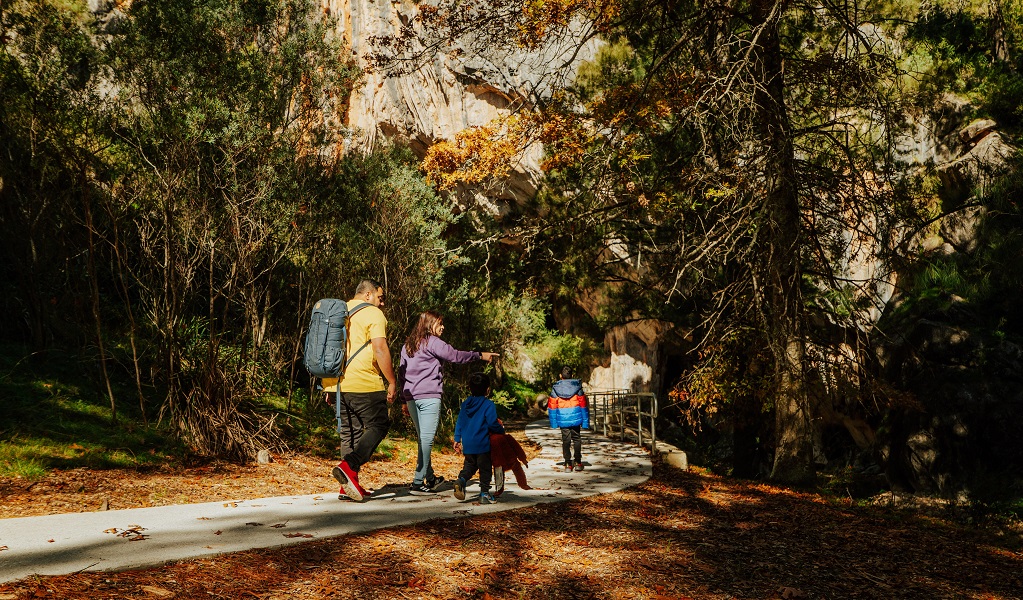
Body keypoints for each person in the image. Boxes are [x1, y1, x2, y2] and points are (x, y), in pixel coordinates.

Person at [398, 310, 497, 495]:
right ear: (430, 324)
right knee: (426, 440)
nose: (442, 327)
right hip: (428, 397)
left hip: (412, 397)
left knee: (423, 439)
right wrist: (479, 355)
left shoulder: (408, 345)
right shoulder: (432, 341)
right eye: (439, 323)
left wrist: (404, 400)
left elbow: (402, 373)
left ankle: (430, 477)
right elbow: (455, 356)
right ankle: (418, 483)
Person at [321, 279, 396, 502]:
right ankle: (349, 465)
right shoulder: (372, 314)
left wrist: (330, 385)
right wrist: (391, 380)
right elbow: (380, 348)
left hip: (336, 384)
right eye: (380, 298)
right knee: (379, 425)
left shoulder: (338, 311)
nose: (381, 304)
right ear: (367, 295)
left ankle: (348, 486)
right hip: (364, 382)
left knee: (349, 433)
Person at [452, 372, 505, 504]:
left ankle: (462, 480)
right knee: (485, 469)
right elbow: (492, 423)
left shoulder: (465, 404)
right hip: (483, 444)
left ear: (470, 388)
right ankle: (484, 494)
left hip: (469, 444)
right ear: (488, 389)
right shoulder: (488, 405)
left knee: (470, 466)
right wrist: (501, 431)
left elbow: (460, 422)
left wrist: (457, 439)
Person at [548, 366, 589, 472]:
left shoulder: (555, 388)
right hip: (576, 418)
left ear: (560, 376)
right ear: (572, 376)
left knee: (566, 440)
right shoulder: (577, 387)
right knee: (576, 439)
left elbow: (552, 406)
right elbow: (583, 405)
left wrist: (553, 423)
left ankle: (567, 464)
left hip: (563, 418)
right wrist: (585, 422)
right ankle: (578, 462)